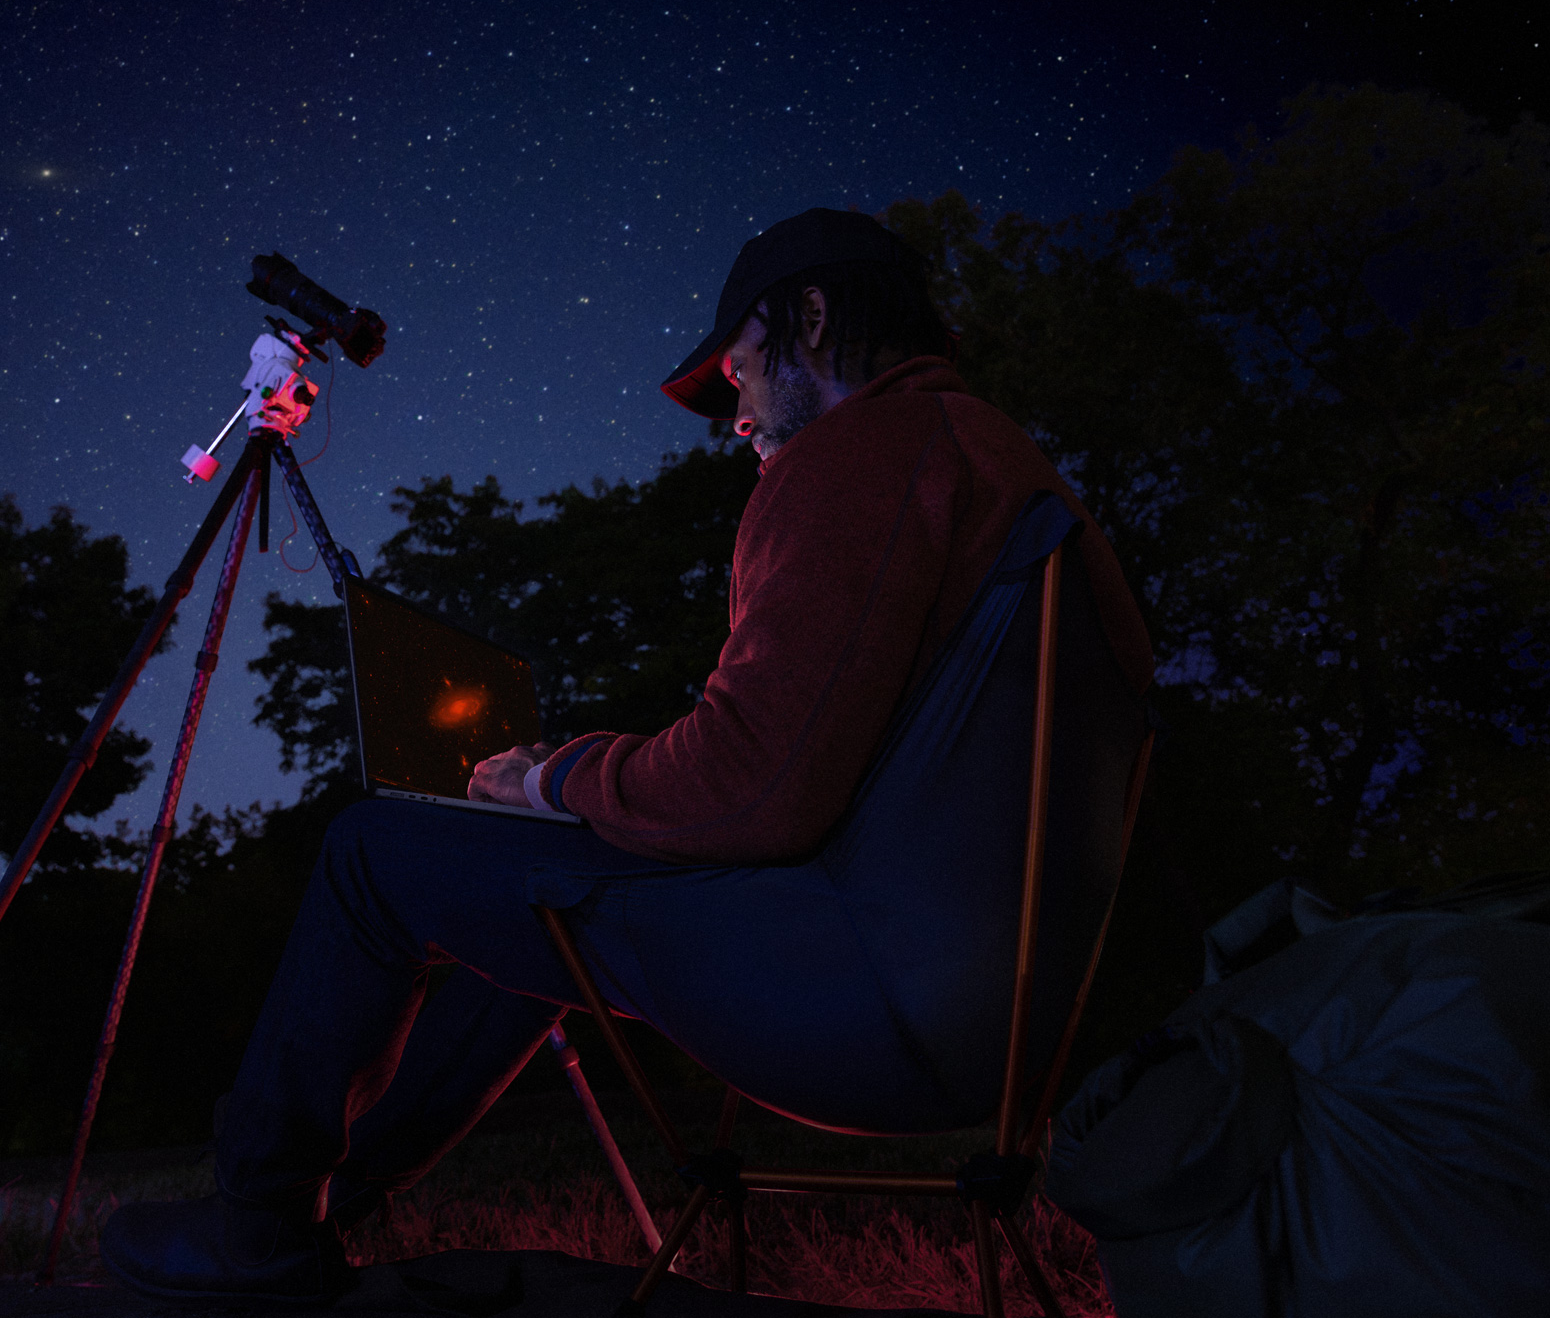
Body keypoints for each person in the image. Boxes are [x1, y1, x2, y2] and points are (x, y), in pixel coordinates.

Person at [99, 208, 1154, 1302]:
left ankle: (257, 1233)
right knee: (544, 880)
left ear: (812, 317)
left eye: (741, 373)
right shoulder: (999, 460)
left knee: (374, 853)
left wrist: (553, 774)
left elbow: (754, 787)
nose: (736, 418)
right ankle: (339, 1201)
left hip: (864, 996)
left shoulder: (865, 454)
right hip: (999, 1012)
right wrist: (579, 803)